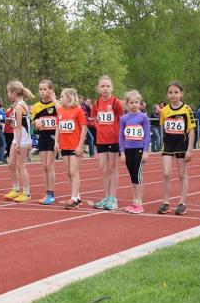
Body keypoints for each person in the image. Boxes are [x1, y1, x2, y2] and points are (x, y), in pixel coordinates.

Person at [157, 81, 195, 215]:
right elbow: (163, 128)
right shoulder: (164, 110)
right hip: (168, 144)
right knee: (166, 173)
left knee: (182, 174)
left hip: (181, 145)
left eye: (176, 92)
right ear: (167, 94)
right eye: (170, 92)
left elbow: (191, 130)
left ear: (181, 94)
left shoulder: (187, 109)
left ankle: (182, 203)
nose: (173, 95)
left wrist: (189, 149)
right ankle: (166, 202)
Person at [92, 75, 124, 211]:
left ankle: (113, 198)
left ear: (112, 88)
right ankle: (106, 197)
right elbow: (94, 118)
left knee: (113, 169)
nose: (105, 89)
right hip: (101, 140)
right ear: (99, 88)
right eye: (102, 86)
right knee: (103, 169)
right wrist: (99, 128)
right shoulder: (96, 103)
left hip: (114, 140)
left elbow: (122, 119)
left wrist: (119, 135)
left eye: (107, 86)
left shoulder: (116, 102)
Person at [118, 90, 150, 213]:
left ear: (140, 103)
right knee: (132, 177)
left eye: (136, 102)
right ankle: (134, 201)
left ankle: (139, 202)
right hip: (128, 150)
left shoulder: (143, 117)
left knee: (138, 176)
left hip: (139, 149)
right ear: (127, 104)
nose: (134, 105)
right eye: (131, 102)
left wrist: (145, 151)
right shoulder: (124, 118)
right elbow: (121, 136)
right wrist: (122, 153)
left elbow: (147, 134)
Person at [56, 88, 87, 209]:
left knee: (74, 172)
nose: (60, 98)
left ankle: (73, 198)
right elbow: (58, 127)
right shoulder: (60, 110)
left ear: (69, 97)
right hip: (64, 145)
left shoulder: (78, 111)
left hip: (75, 146)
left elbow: (84, 128)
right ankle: (77, 197)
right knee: (69, 173)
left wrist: (80, 145)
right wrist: (56, 142)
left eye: (62, 96)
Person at [3, 81, 33, 203]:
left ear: (14, 93)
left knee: (21, 165)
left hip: (22, 139)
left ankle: (26, 192)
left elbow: (20, 126)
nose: (7, 94)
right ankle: (15, 189)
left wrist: (19, 143)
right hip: (17, 138)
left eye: (8, 92)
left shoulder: (20, 107)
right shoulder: (17, 106)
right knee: (11, 164)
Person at [32, 80, 58, 205]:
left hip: (54, 136)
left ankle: (51, 193)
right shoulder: (36, 106)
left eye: (45, 89)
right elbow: (34, 122)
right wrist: (36, 123)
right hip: (42, 137)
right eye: (40, 89)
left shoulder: (56, 104)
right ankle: (47, 192)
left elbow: (62, 115)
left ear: (51, 90)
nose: (42, 92)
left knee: (49, 165)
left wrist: (54, 99)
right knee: (44, 167)